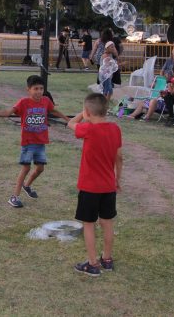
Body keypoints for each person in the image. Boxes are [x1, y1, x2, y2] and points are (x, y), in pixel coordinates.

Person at [0, 75, 69, 208]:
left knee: (40, 169)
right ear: (28, 89)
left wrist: (67, 119)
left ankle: (27, 186)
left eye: (41, 88)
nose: (39, 91)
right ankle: (14, 197)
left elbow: (54, 110)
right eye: (36, 89)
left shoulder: (46, 101)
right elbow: (7, 113)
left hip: (41, 142)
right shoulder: (23, 103)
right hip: (28, 143)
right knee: (26, 168)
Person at [67, 93, 123, 276]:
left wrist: (82, 114)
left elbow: (70, 124)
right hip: (108, 186)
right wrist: (117, 180)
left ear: (88, 112)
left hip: (90, 187)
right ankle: (107, 259)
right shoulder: (115, 129)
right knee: (107, 223)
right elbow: (119, 157)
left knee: (89, 224)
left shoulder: (88, 129)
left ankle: (92, 263)